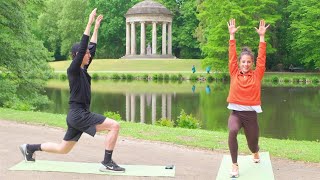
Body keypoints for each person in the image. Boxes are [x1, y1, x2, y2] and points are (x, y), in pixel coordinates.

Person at [19, 8, 125, 173]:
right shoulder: (73, 69)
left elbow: (92, 47)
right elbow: (84, 47)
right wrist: (89, 23)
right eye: (86, 53)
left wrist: (96, 28)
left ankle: (29, 148)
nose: (89, 55)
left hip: (76, 115)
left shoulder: (83, 69)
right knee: (114, 126)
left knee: (63, 149)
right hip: (79, 114)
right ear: (77, 55)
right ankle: (107, 162)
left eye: (89, 54)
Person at [226, 19, 269, 178]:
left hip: (251, 116)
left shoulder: (257, 75)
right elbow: (231, 55)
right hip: (236, 114)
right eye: (243, 61)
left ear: (251, 63)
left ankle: (255, 152)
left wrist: (262, 38)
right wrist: (231, 36)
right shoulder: (234, 72)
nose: (245, 64)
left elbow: (262, 59)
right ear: (239, 63)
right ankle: (234, 164)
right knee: (232, 131)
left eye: (248, 62)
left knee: (252, 144)